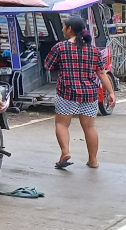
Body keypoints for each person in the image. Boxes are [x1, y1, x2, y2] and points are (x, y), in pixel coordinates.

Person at [47, 15, 116, 169]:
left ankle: (65, 152)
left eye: (64, 26)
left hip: (67, 92)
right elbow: (102, 73)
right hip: (89, 94)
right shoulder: (93, 50)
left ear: (69, 29)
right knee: (89, 127)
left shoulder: (60, 47)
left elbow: (48, 65)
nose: (63, 29)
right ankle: (93, 160)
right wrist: (111, 92)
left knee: (62, 124)